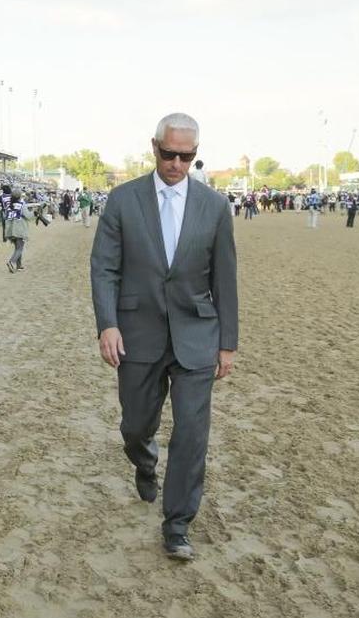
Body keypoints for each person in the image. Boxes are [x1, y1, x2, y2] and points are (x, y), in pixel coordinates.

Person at [89, 112, 238, 562]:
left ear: (195, 155)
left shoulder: (214, 206)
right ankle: (144, 460)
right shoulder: (122, 199)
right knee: (135, 424)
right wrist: (108, 323)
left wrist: (227, 342)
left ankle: (177, 525)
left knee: (192, 434)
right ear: (153, 147)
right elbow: (104, 268)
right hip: (137, 333)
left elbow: (226, 278)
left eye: (186, 156)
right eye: (169, 153)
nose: (176, 163)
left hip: (197, 334)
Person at [4, 191, 31, 272]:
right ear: (19, 197)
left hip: (10, 229)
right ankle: (12, 262)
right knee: (20, 248)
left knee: (17, 248)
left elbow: (5, 216)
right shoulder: (22, 204)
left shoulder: (8, 206)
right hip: (20, 229)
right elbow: (28, 216)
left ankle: (19, 266)